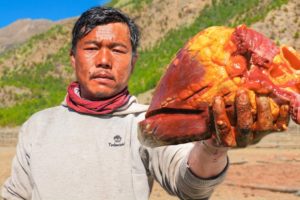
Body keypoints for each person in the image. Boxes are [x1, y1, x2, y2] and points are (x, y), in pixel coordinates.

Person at [1, 6, 290, 200]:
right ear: (73, 58)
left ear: (133, 61)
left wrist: (213, 146)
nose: (103, 60)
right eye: (91, 48)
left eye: (117, 49)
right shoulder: (37, 126)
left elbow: (189, 185)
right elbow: (16, 194)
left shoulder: (147, 124)